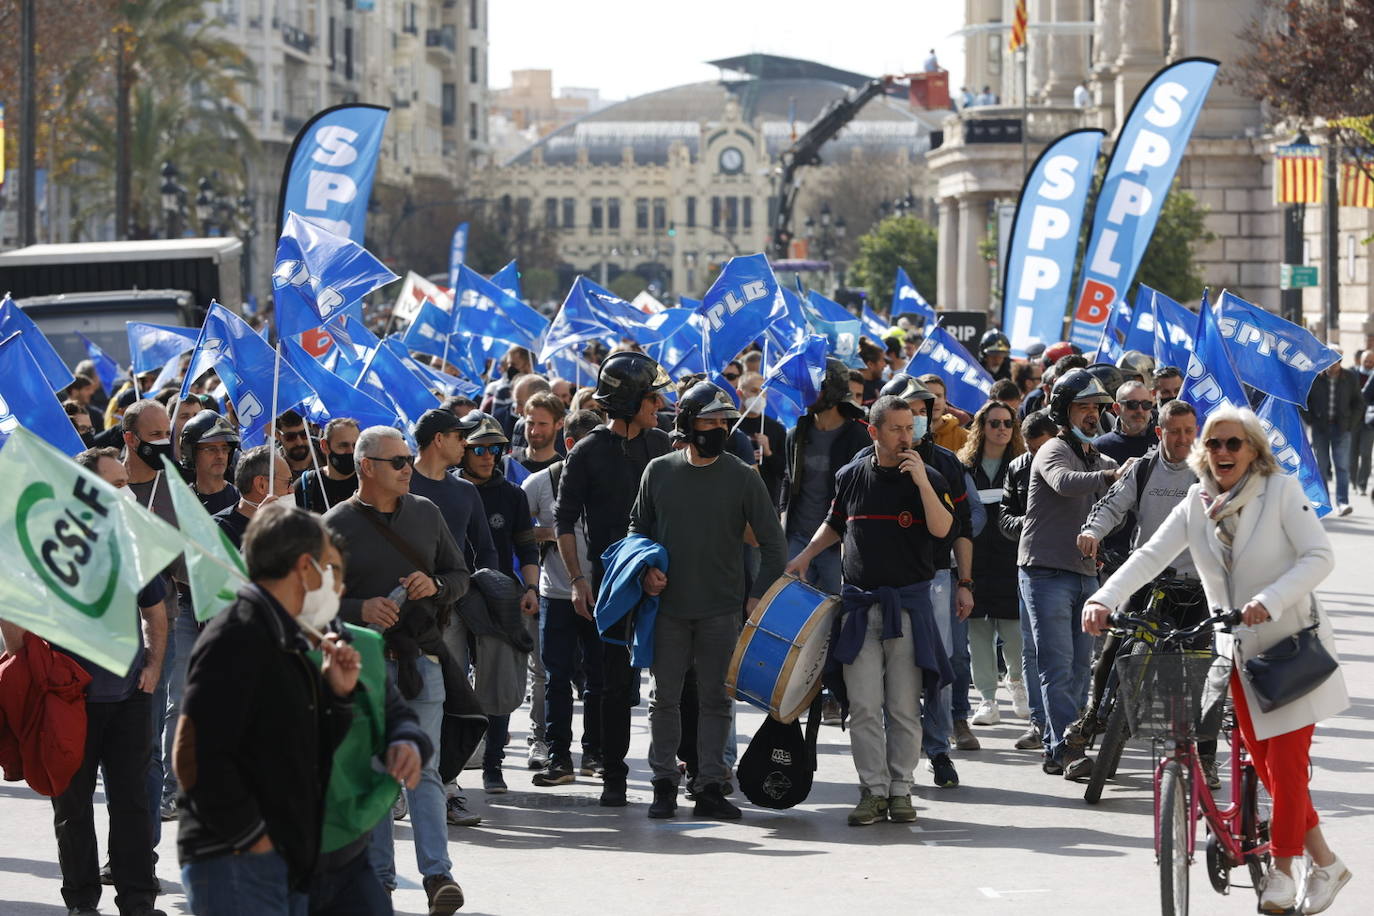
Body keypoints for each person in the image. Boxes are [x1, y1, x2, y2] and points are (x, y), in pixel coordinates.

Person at [1083, 405, 1351, 915]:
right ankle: (1328, 863)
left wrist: (1269, 600)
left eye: (1234, 443)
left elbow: (1320, 556)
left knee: (1287, 767)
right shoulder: (1195, 500)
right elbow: (1150, 556)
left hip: (1290, 650)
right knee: (1270, 770)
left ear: (1254, 450)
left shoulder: (1281, 492)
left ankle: (1285, 869)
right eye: (1215, 443)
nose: (1223, 452)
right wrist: (1104, 599)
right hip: (1232, 653)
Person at [0, 448, 168, 916]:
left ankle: (137, 900)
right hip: (68, 701)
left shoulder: (132, 540)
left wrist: (152, 668)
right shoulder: (50, 546)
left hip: (130, 696)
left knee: (133, 804)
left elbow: (155, 613)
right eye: (114, 484)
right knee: (72, 808)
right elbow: (11, 609)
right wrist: (30, 665)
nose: (126, 492)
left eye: (126, 482)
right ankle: (80, 902)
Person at [175, 504, 361, 916]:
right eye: (328, 566)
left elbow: (304, 750)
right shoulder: (240, 634)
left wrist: (338, 696)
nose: (336, 582)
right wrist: (254, 838)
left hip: (281, 859)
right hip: (238, 862)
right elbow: (192, 755)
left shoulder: (286, 636)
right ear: (303, 566)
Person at [787, 396, 953, 825]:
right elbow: (836, 523)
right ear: (874, 432)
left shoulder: (928, 475)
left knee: (902, 706)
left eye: (909, 428)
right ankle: (872, 791)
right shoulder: (850, 476)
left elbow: (942, 530)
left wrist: (921, 484)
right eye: (896, 428)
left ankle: (901, 790)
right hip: (861, 607)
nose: (905, 436)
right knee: (862, 706)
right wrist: (804, 556)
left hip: (909, 609)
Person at [324, 428, 469, 913]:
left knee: (422, 770)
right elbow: (309, 606)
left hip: (421, 663)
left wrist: (436, 586)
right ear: (366, 466)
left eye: (409, 459)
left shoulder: (427, 514)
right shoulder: (333, 526)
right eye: (397, 461)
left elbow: (460, 577)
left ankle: (437, 876)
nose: (409, 468)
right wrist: (358, 609)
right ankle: (380, 880)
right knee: (373, 773)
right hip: (361, 670)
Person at [630, 382, 787, 821]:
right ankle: (663, 782)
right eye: (710, 420)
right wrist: (645, 570)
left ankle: (711, 785)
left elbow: (774, 544)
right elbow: (636, 530)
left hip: (722, 610)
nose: (719, 427)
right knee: (664, 699)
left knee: (718, 700)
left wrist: (760, 594)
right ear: (686, 422)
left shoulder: (742, 476)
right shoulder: (658, 471)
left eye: (724, 420)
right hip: (668, 611)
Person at [555, 351, 673, 807]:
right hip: (611, 586)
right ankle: (613, 775)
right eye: (651, 396)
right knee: (611, 685)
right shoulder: (586, 452)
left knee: (671, 682)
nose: (659, 403)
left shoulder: (662, 444)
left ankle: (678, 772)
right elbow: (564, 521)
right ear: (628, 402)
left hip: (662, 580)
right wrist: (578, 580)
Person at [1017, 369, 1128, 778]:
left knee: (1083, 665)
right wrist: (1109, 477)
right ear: (1064, 410)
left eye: (1097, 408)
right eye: (1083, 407)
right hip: (1045, 571)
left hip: (1085, 573)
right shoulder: (1052, 450)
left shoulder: (1101, 458)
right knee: (1057, 664)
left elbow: (1116, 515)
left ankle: (1067, 744)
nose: (1092, 415)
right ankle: (1062, 748)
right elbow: (1064, 483)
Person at [875, 373, 978, 780]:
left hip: (935, 579)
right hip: (882, 584)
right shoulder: (862, 466)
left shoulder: (946, 463)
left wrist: (964, 583)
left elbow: (964, 528)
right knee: (885, 671)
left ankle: (938, 749)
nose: (915, 422)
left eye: (921, 413)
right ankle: (896, 756)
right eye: (906, 413)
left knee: (936, 666)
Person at [407, 407, 496, 828]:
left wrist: (502, 594)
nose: (467, 444)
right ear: (438, 440)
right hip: (401, 613)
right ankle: (400, 788)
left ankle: (447, 787)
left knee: (447, 701)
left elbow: (486, 550)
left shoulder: (466, 493)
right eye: (461, 437)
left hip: (453, 614)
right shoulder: (400, 482)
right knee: (405, 700)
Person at [456, 411, 541, 792]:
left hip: (500, 598)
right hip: (455, 599)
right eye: (479, 448)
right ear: (462, 450)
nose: (489, 455)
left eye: (496, 447)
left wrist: (531, 588)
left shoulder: (512, 495)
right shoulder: (447, 491)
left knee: (500, 682)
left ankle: (494, 764)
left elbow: (527, 546)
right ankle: (452, 768)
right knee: (455, 683)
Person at [524, 409, 604, 786]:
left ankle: (594, 752)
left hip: (604, 594)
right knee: (557, 677)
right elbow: (519, 532)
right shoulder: (541, 482)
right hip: (556, 594)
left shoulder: (612, 481)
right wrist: (552, 534)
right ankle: (559, 756)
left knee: (599, 678)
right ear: (570, 445)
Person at [959, 401, 1030, 727]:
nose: (1001, 429)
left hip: (1010, 559)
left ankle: (1017, 685)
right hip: (972, 559)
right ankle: (987, 700)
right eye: (994, 423)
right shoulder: (965, 466)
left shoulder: (1020, 466)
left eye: (1007, 423)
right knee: (979, 634)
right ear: (981, 427)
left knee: (1014, 633)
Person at [781, 358, 872, 596]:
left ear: (832, 390)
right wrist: (784, 524)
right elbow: (788, 481)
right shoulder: (795, 433)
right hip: (797, 539)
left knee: (836, 617)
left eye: (815, 387)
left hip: (837, 544)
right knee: (792, 613)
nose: (807, 393)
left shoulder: (858, 437)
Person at [998, 409, 1059, 752]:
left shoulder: (1075, 462)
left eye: (1044, 449)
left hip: (1070, 568)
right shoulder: (1017, 467)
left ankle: (1068, 720)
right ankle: (1040, 723)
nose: (1038, 458)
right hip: (1030, 567)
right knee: (1032, 649)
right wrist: (1032, 525)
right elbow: (1004, 518)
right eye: (1031, 449)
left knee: (1070, 656)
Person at [1302, 350, 1363, 516]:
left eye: (1333, 361)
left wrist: (1351, 424)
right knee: (1321, 466)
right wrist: (1310, 419)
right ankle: (1324, 501)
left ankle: (1343, 503)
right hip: (1320, 429)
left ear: (1340, 361)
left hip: (1342, 429)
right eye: (1327, 361)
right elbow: (1303, 401)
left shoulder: (1349, 377)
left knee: (1342, 467)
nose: (1330, 365)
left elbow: (1359, 403)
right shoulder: (1315, 378)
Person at [214, 444, 293, 549]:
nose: (292, 490)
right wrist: (260, 532)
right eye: (288, 482)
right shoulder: (219, 529)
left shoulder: (289, 523)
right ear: (261, 485)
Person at [735, 371, 787, 508]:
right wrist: (746, 457)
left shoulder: (776, 429)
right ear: (740, 393)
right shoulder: (730, 425)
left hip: (768, 501)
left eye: (763, 391)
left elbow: (785, 472)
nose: (759, 396)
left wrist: (769, 453)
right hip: (736, 500)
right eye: (754, 391)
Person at [179, 410, 240, 515]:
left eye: (224, 449)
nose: (220, 455)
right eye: (211, 449)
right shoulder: (179, 503)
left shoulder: (241, 500)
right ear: (191, 453)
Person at [295, 418, 361, 513]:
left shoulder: (370, 483)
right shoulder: (305, 486)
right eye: (343, 445)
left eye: (355, 445)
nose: (351, 451)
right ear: (324, 446)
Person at [1094, 380, 1158, 463]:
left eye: (1146, 404)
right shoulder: (1100, 447)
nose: (1140, 410)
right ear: (1117, 408)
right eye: (1132, 404)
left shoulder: (1164, 442)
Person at [514, 391, 565, 474]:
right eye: (530, 423)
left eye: (542, 424)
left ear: (559, 424)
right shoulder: (507, 464)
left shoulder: (564, 471)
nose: (534, 431)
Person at [918, 374, 970, 453]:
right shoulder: (908, 435)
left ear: (945, 400)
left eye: (939, 396)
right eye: (929, 396)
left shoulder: (965, 438)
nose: (935, 402)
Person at [1351, 349, 1374, 496]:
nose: (1369, 364)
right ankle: (1353, 480)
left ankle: (1362, 484)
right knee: (1352, 453)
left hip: (1369, 421)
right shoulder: (1351, 375)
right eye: (1366, 361)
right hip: (1353, 420)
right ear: (1361, 361)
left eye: (1371, 362)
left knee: (1366, 454)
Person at [275, 410, 316, 482]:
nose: (299, 443)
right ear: (277, 436)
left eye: (304, 434)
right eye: (290, 437)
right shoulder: (272, 468)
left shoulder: (328, 452)